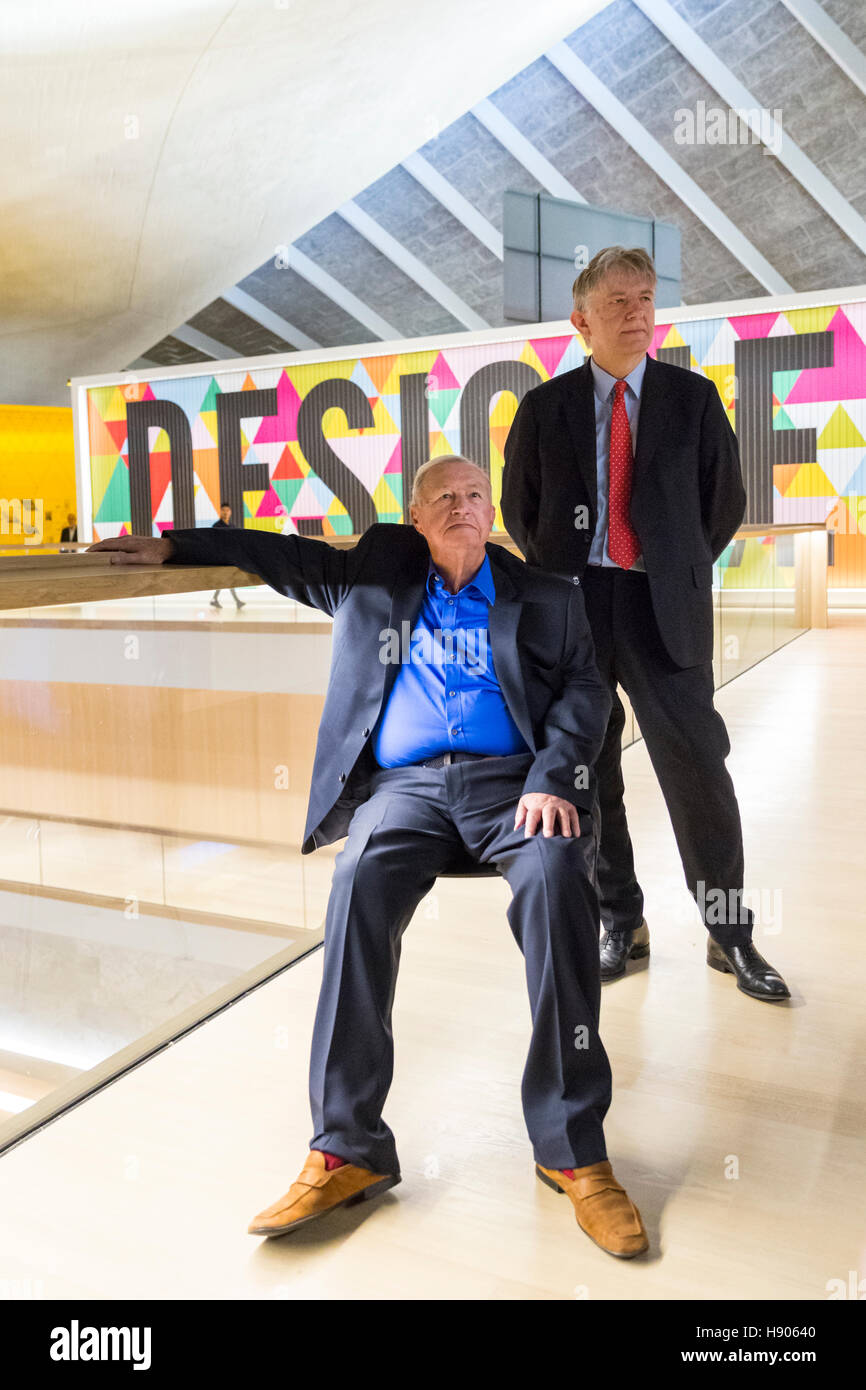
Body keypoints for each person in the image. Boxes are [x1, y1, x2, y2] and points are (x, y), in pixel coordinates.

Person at [88, 455, 649, 1259]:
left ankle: (572, 1149)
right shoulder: (373, 580)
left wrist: (554, 776)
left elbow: (590, 694)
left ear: (492, 511)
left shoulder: (547, 597)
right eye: (443, 499)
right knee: (357, 882)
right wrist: (174, 547)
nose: (463, 507)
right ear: (415, 519)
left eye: (474, 496)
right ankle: (345, 1149)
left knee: (559, 873)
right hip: (406, 791)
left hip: (513, 784)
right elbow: (277, 552)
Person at [501, 246, 790, 1003]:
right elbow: (521, 510)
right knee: (592, 778)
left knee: (698, 776)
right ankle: (619, 924)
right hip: (578, 612)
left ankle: (730, 936)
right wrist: (566, 575)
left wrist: (673, 564)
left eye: (646, 299)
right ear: (581, 320)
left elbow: (721, 505)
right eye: (619, 303)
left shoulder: (692, 401)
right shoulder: (545, 408)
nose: (637, 313)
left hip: (666, 610)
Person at [210, 503, 245, 609]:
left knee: (226, 579)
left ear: (230, 512)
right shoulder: (216, 526)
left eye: (227, 510)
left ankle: (215, 599)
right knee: (227, 579)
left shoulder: (232, 526)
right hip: (221, 558)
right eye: (223, 510)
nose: (225, 512)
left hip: (230, 557)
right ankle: (236, 601)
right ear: (220, 511)